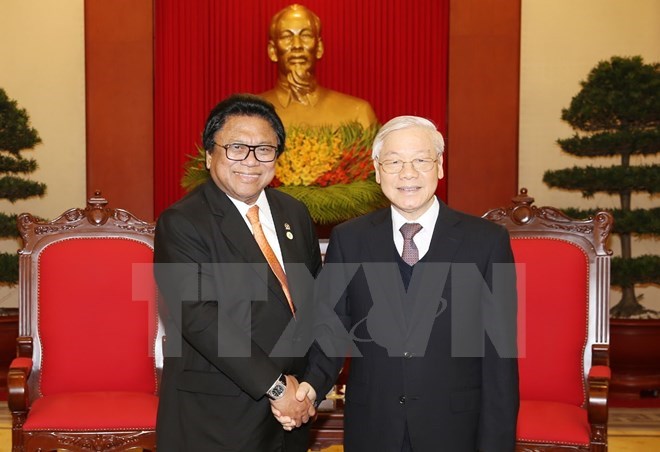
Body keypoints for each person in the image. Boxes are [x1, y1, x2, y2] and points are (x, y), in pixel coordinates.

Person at [298, 116, 520, 451]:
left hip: (455, 427)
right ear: (377, 170)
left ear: (440, 166)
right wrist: (312, 386)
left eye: (420, 160)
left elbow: (499, 357)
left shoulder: (486, 242)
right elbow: (331, 328)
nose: (408, 173)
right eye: (394, 161)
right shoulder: (350, 240)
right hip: (374, 425)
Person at [153, 93, 322, 451]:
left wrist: (308, 387)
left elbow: (315, 304)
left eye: (264, 149)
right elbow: (199, 319)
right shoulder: (182, 222)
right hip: (218, 414)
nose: (251, 160)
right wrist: (276, 387)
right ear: (209, 154)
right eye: (236, 148)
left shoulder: (294, 213)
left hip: (291, 411)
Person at [260, 4, 378, 129]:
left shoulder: (357, 113)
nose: (297, 45)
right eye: (286, 36)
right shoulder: (247, 114)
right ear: (272, 51)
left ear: (319, 48)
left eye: (306, 35)